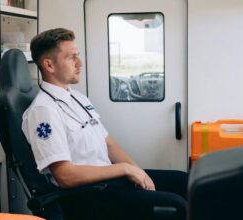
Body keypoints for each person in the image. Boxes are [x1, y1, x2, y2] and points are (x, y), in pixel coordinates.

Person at [22, 28, 187, 220]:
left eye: (78, 56)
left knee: (185, 181)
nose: (79, 63)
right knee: (175, 206)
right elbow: (65, 176)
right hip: (86, 196)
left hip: (108, 181)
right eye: (71, 58)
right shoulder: (43, 111)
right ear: (49, 65)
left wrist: (138, 171)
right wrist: (124, 169)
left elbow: (108, 144)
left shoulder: (77, 98)